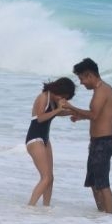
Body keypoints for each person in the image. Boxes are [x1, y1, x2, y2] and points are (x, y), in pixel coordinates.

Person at [65, 58, 112, 213]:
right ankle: (102, 215)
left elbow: (94, 115)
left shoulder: (102, 91)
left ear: (90, 75)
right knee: (93, 182)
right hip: (97, 141)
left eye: (81, 78)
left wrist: (71, 107)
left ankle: (109, 217)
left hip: (104, 141)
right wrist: (80, 116)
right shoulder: (99, 90)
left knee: (102, 183)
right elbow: (98, 116)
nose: (81, 83)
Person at [25, 77, 76, 206]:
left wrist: (74, 111)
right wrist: (59, 109)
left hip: (45, 140)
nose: (63, 99)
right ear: (58, 90)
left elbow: (57, 113)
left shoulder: (53, 100)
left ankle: (45, 207)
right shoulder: (43, 97)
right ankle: (30, 207)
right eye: (63, 96)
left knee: (50, 178)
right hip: (34, 139)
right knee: (45, 178)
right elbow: (40, 118)